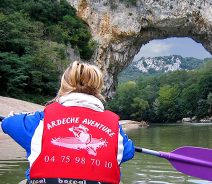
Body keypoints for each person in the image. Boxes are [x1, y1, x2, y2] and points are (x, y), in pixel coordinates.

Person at [1, 61, 135, 184]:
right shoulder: (114, 127)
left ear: (63, 86)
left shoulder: (39, 120)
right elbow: (128, 151)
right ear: (98, 89)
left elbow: (8, 123)